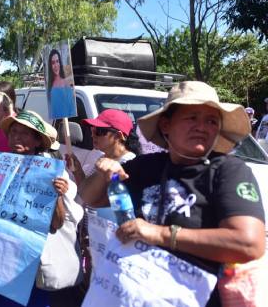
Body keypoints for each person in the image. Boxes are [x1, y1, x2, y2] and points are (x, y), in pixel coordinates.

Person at [79, 81, 265, 307]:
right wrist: (104, 172)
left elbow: (248, 244)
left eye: (211, 121)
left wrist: (161, 234)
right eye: (192, 117)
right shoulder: (144, 167)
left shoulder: (228, 171)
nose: (202, 127)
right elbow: (90, 197)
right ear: (166, 125)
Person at [0, 110, 84, 307]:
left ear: (37, 141)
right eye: (14, 132)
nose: (17, 136)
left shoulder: (51, 172)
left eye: (25, 133)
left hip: (26, 267)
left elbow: (56, 224)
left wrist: (57, 195)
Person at [66, 108, 140, 186]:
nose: (92, 135)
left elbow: (94, 196)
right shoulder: (103, 157)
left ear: (118, 136)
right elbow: (86, 190)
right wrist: (78, 171)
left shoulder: (128, 165)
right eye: (92, 130)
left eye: (98, 131)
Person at [46, 48, 75, 119]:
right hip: (53, 124)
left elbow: (71, 109)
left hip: (64, 123)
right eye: (53, 63)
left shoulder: (66, 83)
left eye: (57, 61)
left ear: (60, 62)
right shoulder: (49, 86)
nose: (56, 65)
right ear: (50, 65)